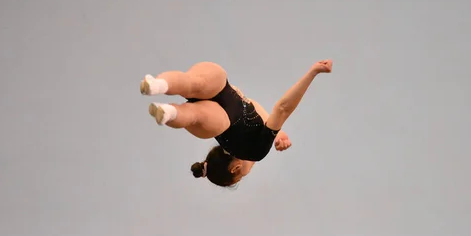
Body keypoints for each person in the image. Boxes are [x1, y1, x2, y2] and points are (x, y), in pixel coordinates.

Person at [140, 59, 333, 187]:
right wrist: (278, 132)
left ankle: (159, 84)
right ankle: (169, 112)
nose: (245, 174)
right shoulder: (226, 142)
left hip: (224, 94)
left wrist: (313, 72)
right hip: (220, 116)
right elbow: (256, 108)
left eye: (240, 177)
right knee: (193, 114)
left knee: (192, 84)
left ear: (234, 169)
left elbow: (283, 108)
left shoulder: (257, 151)